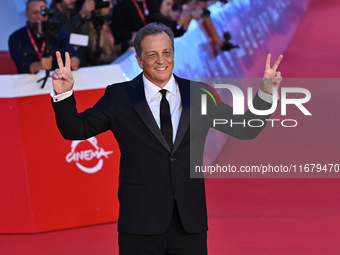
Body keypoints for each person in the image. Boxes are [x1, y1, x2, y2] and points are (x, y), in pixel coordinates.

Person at [51, 23, 283, 254]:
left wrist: (266, 93)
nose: (161, 60)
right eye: (152, 55)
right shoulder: (119, 97)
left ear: (173, 54)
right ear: (139, 60)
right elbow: (77, 130)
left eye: (166, 53)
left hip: (188, 224)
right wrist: (64, 94)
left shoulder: (199, 94)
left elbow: (244, 128)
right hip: (140, 224)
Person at [8, 0, 81, 74]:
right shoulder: (16, 37)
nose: (39, 16)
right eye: (35, 13)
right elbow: (21, 64)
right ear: (27, 14)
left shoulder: (58, 33)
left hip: (57, 80)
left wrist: (76, 60)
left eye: (43, 13)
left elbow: (73, 53)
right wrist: (39, 65)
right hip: (27, 82)